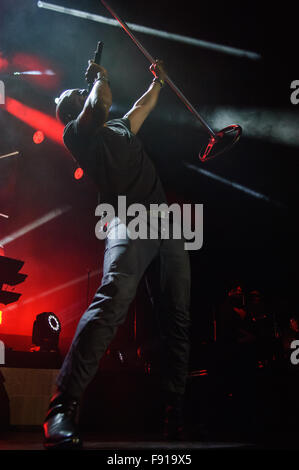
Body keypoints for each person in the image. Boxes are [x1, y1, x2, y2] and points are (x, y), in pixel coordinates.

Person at [43, 58, 191, 449]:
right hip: (128, 221)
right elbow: (100, 103)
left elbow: (138, 107)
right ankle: (61, 408)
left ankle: (173, 414)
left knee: (178, 314)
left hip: (167, 224)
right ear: (73, 110)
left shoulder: (117, 126)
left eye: (77, 88)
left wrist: (158, 83)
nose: (71, 90)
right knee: (114, 300)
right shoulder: (77, 133)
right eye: (70, 95)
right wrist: (100, 79)